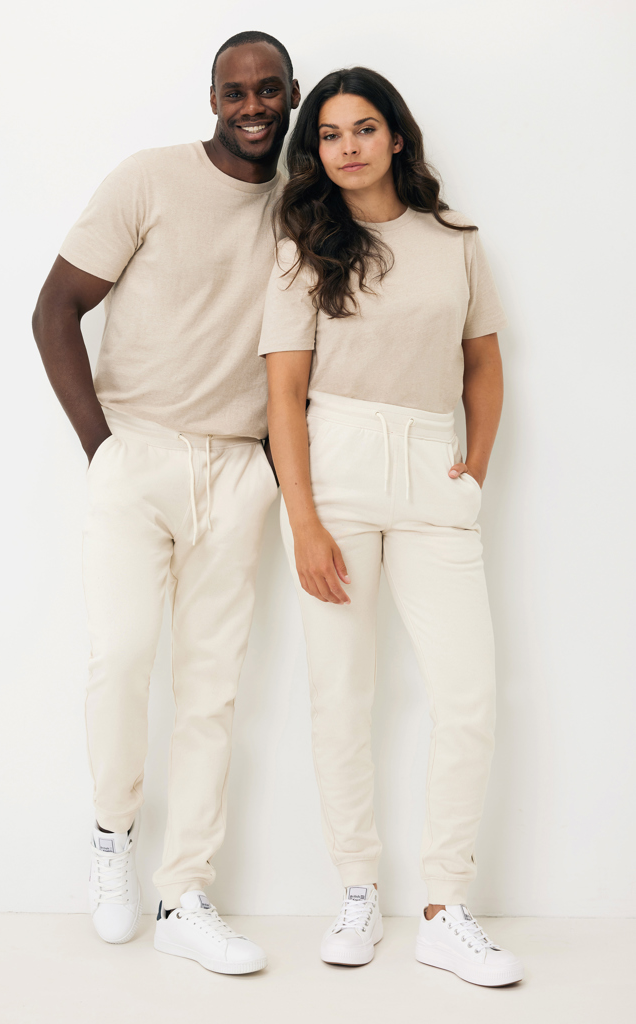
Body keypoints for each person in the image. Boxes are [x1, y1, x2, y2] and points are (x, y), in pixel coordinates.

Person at [32, 31, 300, 974]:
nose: (252, 106)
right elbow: (54, 308)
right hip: (135, 453)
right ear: (213, 99)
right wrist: (102, 448)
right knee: (121, 657)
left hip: (237, 469)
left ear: (292, 94)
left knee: (210, 690)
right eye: (235, 91)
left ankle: (184, 893)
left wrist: (274, 468)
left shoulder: (302, 206)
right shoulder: (148, 178)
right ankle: (113, 837)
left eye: (268, 89)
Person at [259, 67, 523, 986]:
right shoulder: (303, 248)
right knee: (341, 694)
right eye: (330, 134)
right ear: (316, 151)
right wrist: (302, 519)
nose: (348, 147)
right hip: (333, 470)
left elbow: (483, 365)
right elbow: (283, 394)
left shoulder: (455, 241)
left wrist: (472, 470)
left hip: (430, 469)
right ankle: (357, 890)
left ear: (396, 136)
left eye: (364, 128)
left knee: (467, 696)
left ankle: (445, 908)